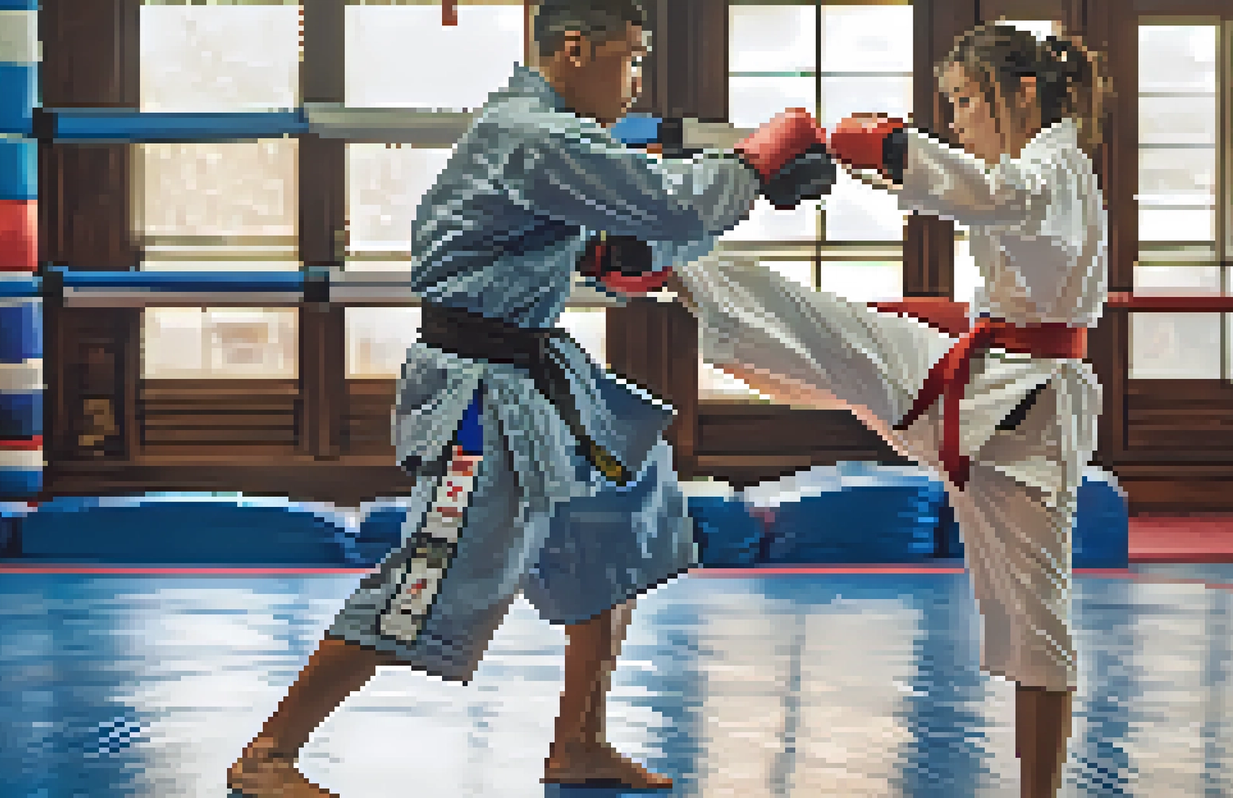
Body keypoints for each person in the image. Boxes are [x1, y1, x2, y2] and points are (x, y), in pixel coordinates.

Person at [227, 1, 835, 795]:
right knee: (435, 569)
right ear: (576, 49)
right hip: (478, 389)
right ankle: (269, 753)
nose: (637, 76)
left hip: (542, 375)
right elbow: (672, 203)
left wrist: (649, 237)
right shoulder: (534, 133)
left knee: (620, 524)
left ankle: (578, 743)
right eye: (632, 56)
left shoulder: (549, 134)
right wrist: (756, 165)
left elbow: (637, 229)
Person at [671, 23, 1111, 798]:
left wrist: (898, 151)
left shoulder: (1055, 171)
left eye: (968, 102)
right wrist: (856, 158)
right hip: (986, 388)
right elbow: (974, 190)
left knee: (1034, 617)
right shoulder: (1024, 169)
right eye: (953, 106)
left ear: (1024, 93)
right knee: (838, 338)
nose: (961, 120)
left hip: (1025, 414)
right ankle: (670, 262)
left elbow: (997, 197)